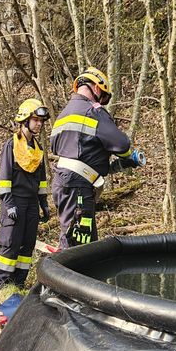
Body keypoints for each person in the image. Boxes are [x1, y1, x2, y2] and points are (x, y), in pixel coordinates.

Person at [50, 66, 145, 250]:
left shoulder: (63, 114)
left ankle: (78, 275)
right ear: (96, 88)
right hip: (78, 187)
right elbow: (121, 144)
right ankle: (61, 277)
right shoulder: (93, 111)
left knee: (84, 239)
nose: (103, 101)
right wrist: (128, 157)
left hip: (63, 183)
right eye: (103, 96)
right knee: (77, 243)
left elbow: (57, 145)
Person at [0, 98, 51, 289]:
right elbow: (4, 178)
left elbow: (42, 180)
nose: (39, 124)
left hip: (32, 203)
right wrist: (8, 204)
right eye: (36, 120)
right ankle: (1, 286)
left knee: (27, 244)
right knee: (11, 243)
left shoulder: (38, 150)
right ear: (25, 120)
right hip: (15, 201)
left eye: (41, 121)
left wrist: (43, 202)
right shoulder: (11, 146)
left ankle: (18, 284)